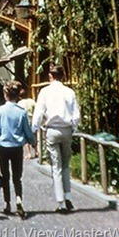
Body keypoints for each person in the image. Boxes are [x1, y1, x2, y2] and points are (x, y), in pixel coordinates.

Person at [31, 65, 80, 214]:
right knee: (65, 164)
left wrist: (34, 129)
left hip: (52, 130)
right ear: (63, 76)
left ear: (50, 76)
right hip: (66, 130)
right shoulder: (69, 92)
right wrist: (74, 128)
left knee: (56, 167)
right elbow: (76, 114)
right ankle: (68, 195)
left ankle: (61, 203)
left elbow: (38, 113)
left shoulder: (45, 91)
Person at [0, 80, 36, 219]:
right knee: (17, 177)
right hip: (17, 147)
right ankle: (18, 199)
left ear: (5, 95)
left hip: (3, 147)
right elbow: (27, 131)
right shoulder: (21, 112)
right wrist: (33, 143)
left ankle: (7, 203)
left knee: (5, 176)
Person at [17, 85, 37, 159]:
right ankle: (36, 151)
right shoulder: (32, 101)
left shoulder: (19, 103)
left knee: (25, 138)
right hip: (32, 120)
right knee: (34, 136)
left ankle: (28, 153)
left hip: (24, 121)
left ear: (19, 96)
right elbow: (36, 109)